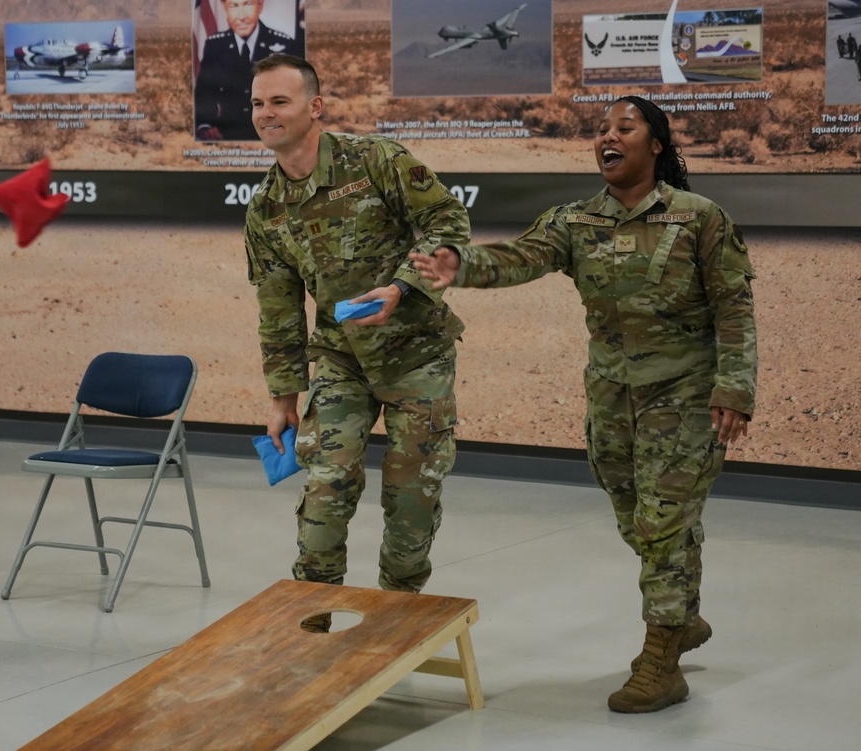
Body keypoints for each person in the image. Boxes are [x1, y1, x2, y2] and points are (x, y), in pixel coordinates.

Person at [410, 96, 757, 712]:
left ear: (656, 145)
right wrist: (457, 265)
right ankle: (685, 614)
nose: (608, 137)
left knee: (662, 523)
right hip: (611, 396)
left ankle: (660, 660)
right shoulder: (576, 221)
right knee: (637, 518)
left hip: (683, 396)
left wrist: (735, 389)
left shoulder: (698, 217)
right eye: (601, 130)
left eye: (625, 128)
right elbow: (519, 257)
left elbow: (734, 306)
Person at [244, 54, 470, 631]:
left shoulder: (375, 161)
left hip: (416, 355)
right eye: (257, 103)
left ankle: (397, 617)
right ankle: (310, 620)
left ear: (314, 107)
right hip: (341, 360)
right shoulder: (265, 208)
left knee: (410, 500)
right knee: (326, 488)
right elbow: (278, 309)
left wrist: (402, 286)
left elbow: (448, 222)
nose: (265, 114)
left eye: (279, 101)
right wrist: (282, 399)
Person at [196, 0, 300, 141]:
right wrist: (205, 126)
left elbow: (293, 95)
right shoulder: (214, 46)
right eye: (234, 5)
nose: (241, 16)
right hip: (225, 135)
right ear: (224, 8)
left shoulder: (284, 45)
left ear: (260, 5)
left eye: (248, 4)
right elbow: (205, 92)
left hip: (272, 132)